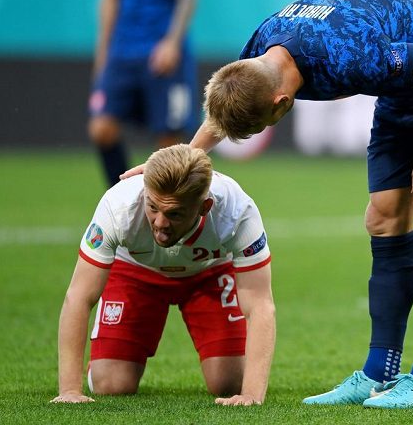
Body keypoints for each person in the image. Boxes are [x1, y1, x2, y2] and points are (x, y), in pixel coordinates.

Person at [124, 0, 413, 408]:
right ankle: (380, 372)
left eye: (257, 129)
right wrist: (178, 160)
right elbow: (226, 110)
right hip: (404, 87)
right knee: (382, 218)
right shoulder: (258, 54)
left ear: (282, 104)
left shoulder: (349, 55)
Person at [51, 144, 275, 407]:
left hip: (208, 272)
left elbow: (261, 305)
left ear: (205, 207)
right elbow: (78, 296)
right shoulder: (118, 206)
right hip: (134, 270)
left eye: (174, 213)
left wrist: (251, 394)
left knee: (230, 382)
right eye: (153, 207)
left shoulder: (237, 212)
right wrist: (69, 390)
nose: (159, 223)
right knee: (111, 384)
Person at [89, 0, 199, 187]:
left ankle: (169, 207)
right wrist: (103, 51)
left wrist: (172, 42)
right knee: (101, 128)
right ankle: (121, 196)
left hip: (161, 54)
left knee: (170, 142)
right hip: (122, 53)